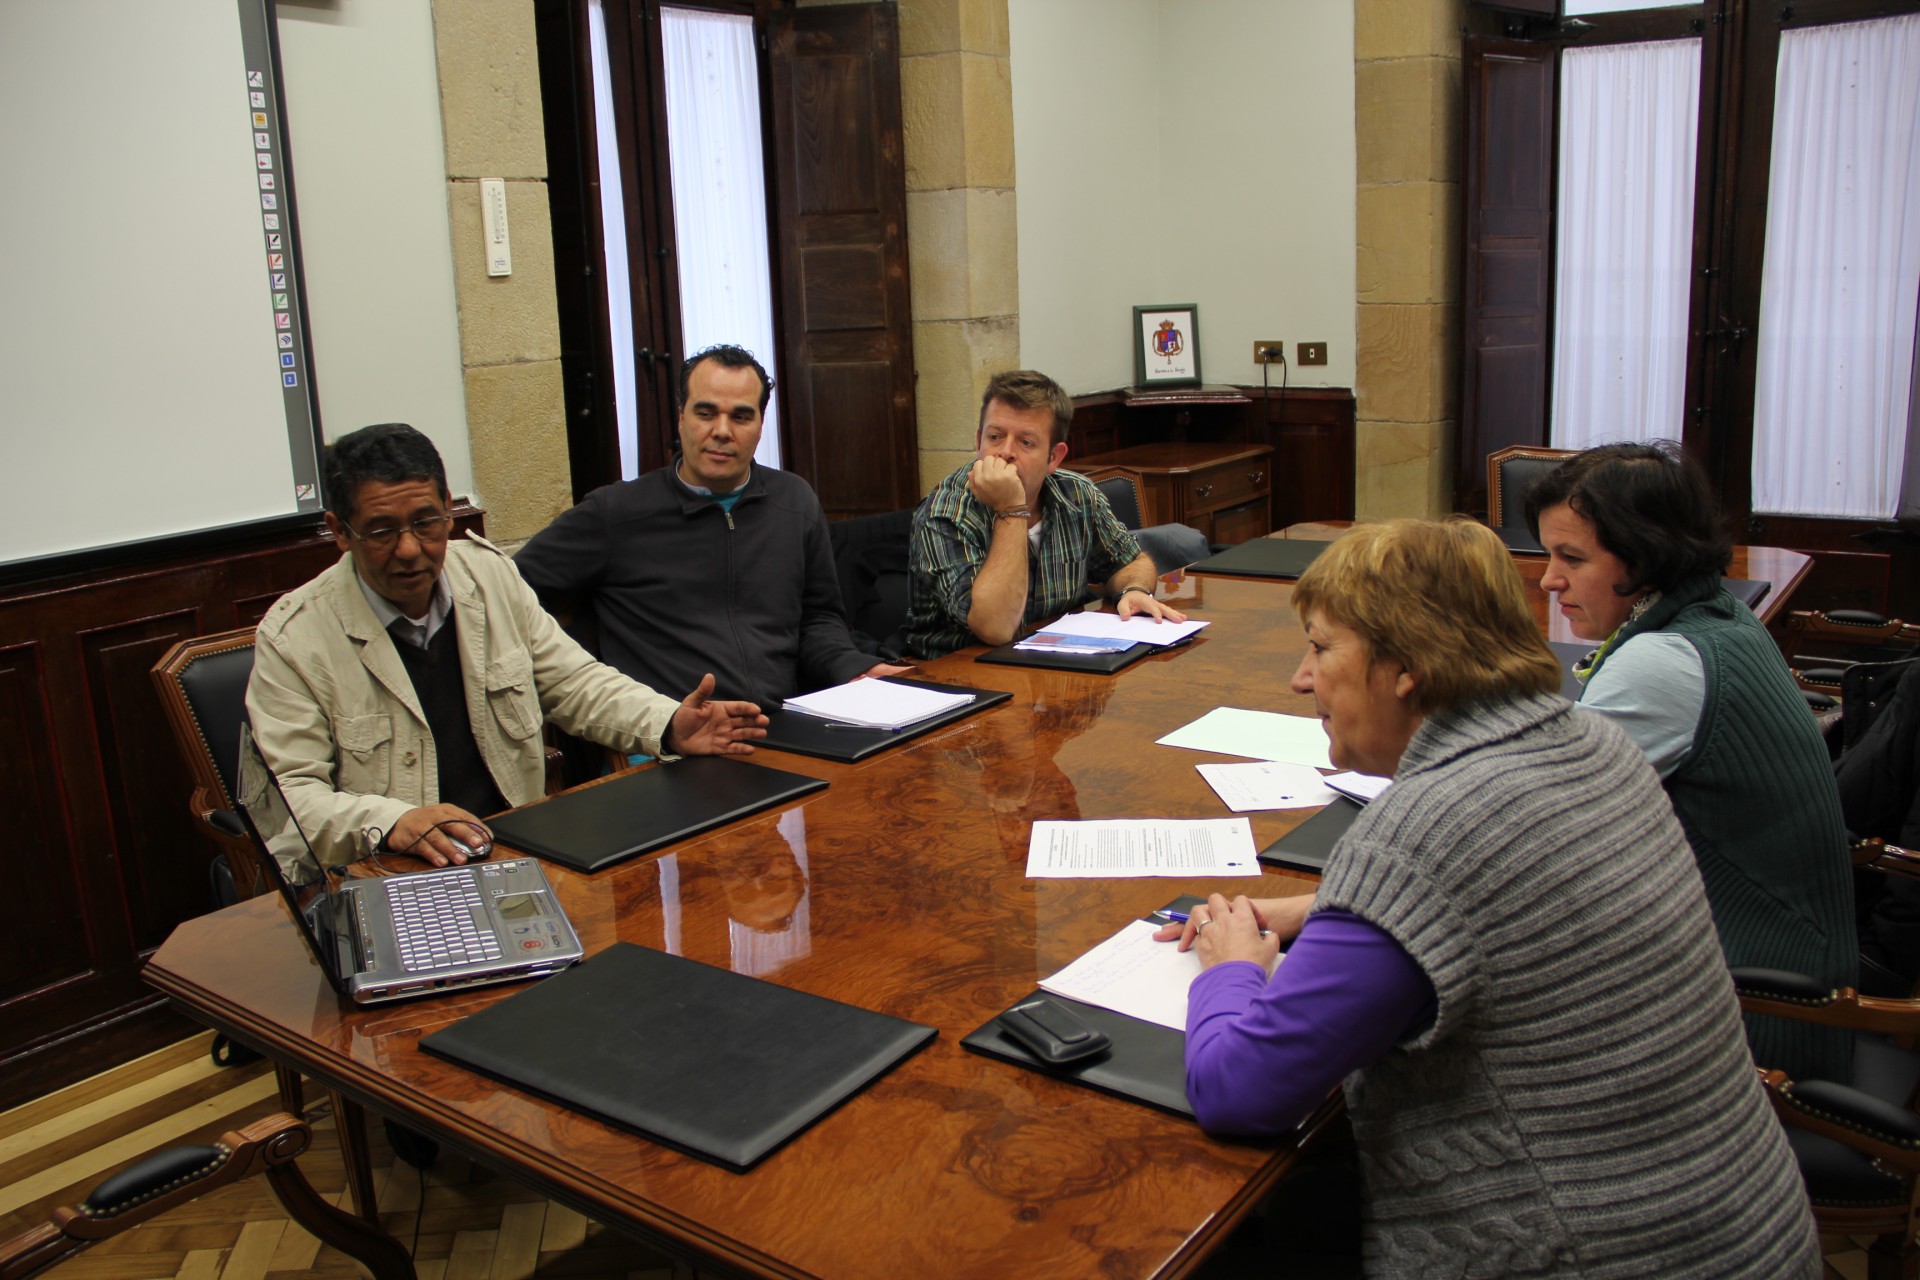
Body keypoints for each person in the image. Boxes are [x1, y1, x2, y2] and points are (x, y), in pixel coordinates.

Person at [1155, 520, 1819, 1276]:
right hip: (1747, 1232)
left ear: (1403, 666)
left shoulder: (1424, 831)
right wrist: (1325, 911)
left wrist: (1230, 968)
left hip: (1597, 1253)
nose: (1301, 679)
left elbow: (1240, 1090)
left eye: (1319, 647)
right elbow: (1509, 896)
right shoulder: (1589, 743)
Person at [247, 422, 768, 870]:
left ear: (449, 512)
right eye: (381, 531)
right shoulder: (294, 638)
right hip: (389, 872)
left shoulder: (488, 575)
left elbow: (573, 682)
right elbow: (292, 798)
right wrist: (393, 821)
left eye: (426, 523)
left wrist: (669, 724)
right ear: (340, 532)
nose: (409, 550)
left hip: (519, 848)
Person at [1525, 440, 1855, 1080]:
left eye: (1571, 558)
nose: (1548, 579)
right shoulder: (1720, 614)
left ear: (1647, 556)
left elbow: (1524, 837)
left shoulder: (1663, 663)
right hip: (1774, 970)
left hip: (1752, 1019)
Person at [514, 345, 906, 706]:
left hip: (783, 730)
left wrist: (853, 667)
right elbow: (507, 593)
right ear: (681, 416)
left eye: (740, 416)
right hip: (669, 745)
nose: (722, 430)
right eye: (706, 413)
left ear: (759, 424)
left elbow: (819, 617)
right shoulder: (616, 513)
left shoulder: (794, 500)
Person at [901, 369, 1186, 658]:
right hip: (964, 677)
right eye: (995, 437)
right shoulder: (945, 513)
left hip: (1057, 662)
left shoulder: (1077, 495)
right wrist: (1011, 509)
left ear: (1054, 457)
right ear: (978, 442)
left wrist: (1132, 590)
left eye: (1026, 442)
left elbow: (1131, 562)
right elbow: (996, 629)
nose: (1005, 452)